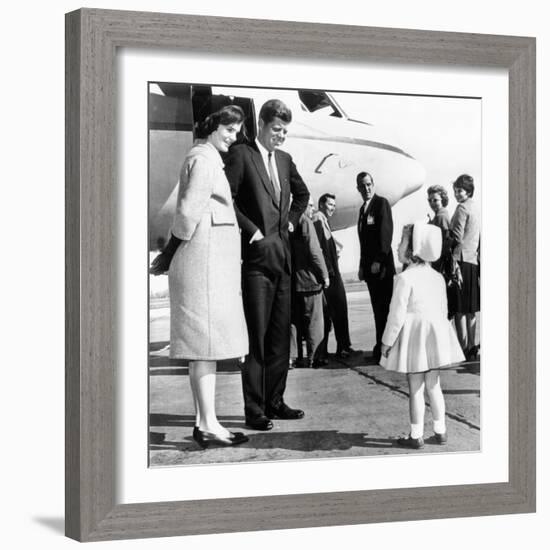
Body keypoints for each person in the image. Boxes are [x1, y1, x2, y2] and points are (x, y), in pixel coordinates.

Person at [150, 105, 249, 449]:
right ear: (214, 126)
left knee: (203, 351)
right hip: (202, 269)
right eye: (230, 130)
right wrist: (169, 253)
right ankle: (207, 424)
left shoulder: (206, 158)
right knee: (204, 349)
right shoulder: (204, 161)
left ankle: (206, 422)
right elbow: (188, 212)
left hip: (205, 268)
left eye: (236, 131)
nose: (234, 137)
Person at [225, 99, 310, 431]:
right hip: (257, 263)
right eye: (277, 129)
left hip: (284, 261)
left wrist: (290, 220)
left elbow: (301, 195)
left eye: (286, 131)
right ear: (261, 124)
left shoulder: (286, 161)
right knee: (257, 340)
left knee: (279, 339)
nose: (281, 136)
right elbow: (226, 198)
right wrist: (253, 231)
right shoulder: (242, 155)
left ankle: (275, 401)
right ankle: (254, 408)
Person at [380, 223, 465, 448]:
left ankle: (415, 435)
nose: (398, 247)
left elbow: (396, 315)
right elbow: (443, 309)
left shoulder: (405, 279)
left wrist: (386, 342)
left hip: (415, 340)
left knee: (415, 387)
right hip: (435, 337)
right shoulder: (437, 277)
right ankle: (441, 430)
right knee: (434, 385)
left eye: (401, 243)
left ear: (412, 250)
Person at [356, 172, 396, 362]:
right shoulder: (363, 210)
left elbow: (385, 235)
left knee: (386, 309)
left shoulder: (381, 204)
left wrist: (379, 260)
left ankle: (388, 350)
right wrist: (362, 266)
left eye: (369, 184)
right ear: (358, 189)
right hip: (371, 270)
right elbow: (363, 242)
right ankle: (380, 347)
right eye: (362, 186)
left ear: (374, 184)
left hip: (382, 269)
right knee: (377, 310)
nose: (367, 189)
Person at [313, 193, 355, 361]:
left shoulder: (323, 220)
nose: (333, 208)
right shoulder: (318, 218)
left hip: (331, 271)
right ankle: (342, 348)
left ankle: (342, 347)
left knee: (337, 310)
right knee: (338, 309)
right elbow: (319, 248)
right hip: (330, 274)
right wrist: (328, 273)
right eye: (330, 205)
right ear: (322, 204)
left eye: (333, 205)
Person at [290, 199, 330, 368]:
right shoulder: (306, 222)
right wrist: (325, 274)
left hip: (293, 282)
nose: (313, 209)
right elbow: (314, 251)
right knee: (315, 321)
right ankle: (315, 357)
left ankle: (292, 357)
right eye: (311, 205)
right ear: (303, 205)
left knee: (294, 322)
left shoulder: (288, 221)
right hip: (310, 282)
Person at [449, 174, 481, 360]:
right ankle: (471, 345)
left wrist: (446, 238)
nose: (456, 194)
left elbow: (457, 236)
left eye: (459, 190)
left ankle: (462, 348)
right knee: (471, 309)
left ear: (468, 191)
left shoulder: (461, 208)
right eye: (455, 190)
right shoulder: (475, 207)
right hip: (472, 261)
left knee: (460, 308)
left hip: (460, 261)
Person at [427, 185, 456, 317]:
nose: (432, 203)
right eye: (430, 200)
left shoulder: (441, 216)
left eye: (435, 200)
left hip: (441, 266)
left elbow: (447, 241)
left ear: (443, 200)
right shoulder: (438, 216)